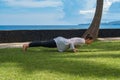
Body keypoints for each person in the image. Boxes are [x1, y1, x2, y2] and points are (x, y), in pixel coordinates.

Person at [23, 35, 93, 53]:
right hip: (60, 42)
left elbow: (72, 40)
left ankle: (28, 45)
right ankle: (27, 45)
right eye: (91, 41)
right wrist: (73, 49)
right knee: (43, 43)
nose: (91, 43)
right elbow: (72, 42)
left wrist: (74, 48)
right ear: (88, 39)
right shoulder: (82, 41)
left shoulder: (82, 41)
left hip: (61, 42)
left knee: (44, 43)